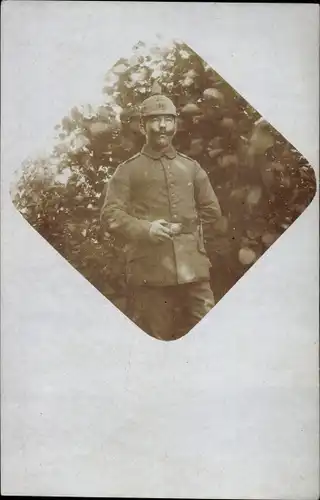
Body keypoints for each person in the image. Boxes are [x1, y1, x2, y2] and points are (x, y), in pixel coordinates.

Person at [100, 84, 222, 341]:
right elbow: (110, 214)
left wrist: (189, 234)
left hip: (193, 271)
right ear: (143, 127)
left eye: (168, 119)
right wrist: (146, 229)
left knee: (212, 332)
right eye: (155, 121)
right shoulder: (128, 170)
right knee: (158, 338)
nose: (163, 126)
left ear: (175, 124)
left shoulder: (191, 167)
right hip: (150, 272)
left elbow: (212, 212)